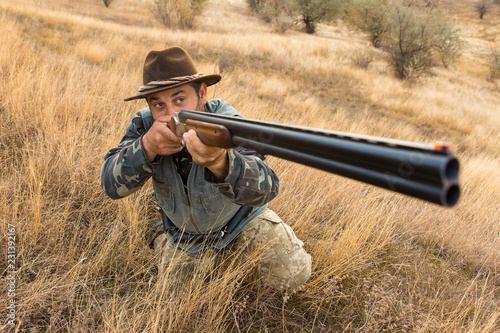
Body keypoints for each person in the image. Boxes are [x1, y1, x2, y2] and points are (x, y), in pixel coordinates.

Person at [101, 46, 311, 290]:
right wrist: (147, 147)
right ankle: (161, 235)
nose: (171, 114)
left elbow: (267, 188)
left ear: (202, 93)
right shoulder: (144, 125)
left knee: (293, 275)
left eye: (180, 100)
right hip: (185, 237)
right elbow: (110, 186)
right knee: (175, 309)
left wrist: (221, 163)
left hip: (242, 223)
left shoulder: (224, 121)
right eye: (158, 104)